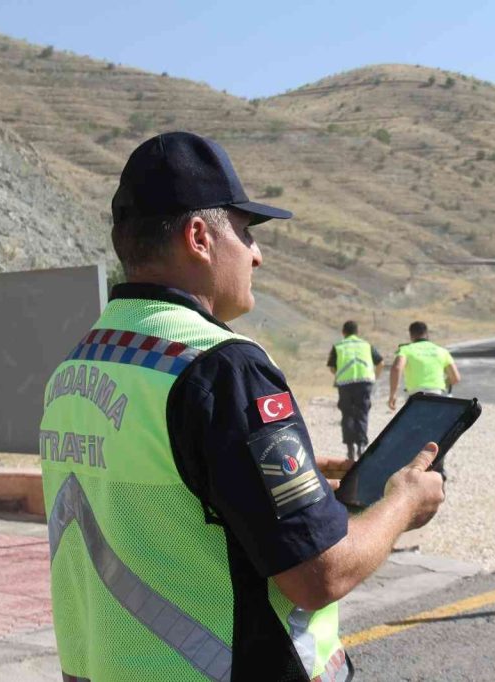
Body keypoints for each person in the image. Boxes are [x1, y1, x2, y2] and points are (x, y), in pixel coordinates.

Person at [39, 132, 445, 681]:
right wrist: (402, 502)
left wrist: (286, 479)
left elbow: (163, 509)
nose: (257, 254)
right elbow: (318, 574)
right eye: (247, 232)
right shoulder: (221, 368)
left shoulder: (78, 367)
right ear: (199, 237)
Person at [327, 320, 383, 461]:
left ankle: (350, 448)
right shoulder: (366, 345)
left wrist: (339, 375)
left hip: (345, 384)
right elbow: (380, 362)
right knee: (362, 412)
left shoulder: (338, 346)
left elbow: (332, 367)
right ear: (358, 332)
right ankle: (361, 446)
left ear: (343, 332)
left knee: (347, 414)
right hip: (364, 382)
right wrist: (374, 377)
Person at [387, 321, 461, 411]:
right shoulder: (442, 351)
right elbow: (455, 377)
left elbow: (397, 368)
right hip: (437, 395)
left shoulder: (405, 349)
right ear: (426, 334)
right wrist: (440, 384)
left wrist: (393, 394)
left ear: (411, 335)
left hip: (415, 397)